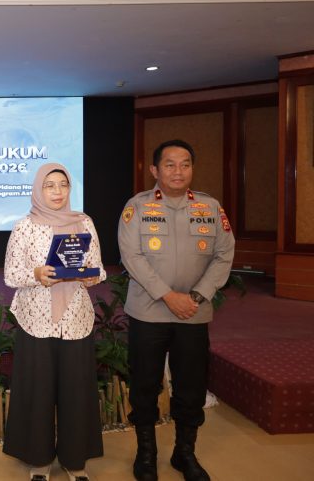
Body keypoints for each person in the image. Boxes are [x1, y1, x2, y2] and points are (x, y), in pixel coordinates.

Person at [118, 140, 235, 481]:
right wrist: (168, 296)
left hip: (193, 314)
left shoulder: (210, 207)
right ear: (155, 170)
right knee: (143, 385)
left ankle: (185, 453)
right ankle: (146, 455)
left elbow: (224, 255)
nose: (178, 171)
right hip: (149, 313)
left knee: (191, 386)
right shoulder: (136, 207)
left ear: (192, 169)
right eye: (169, 164)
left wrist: (196, 296)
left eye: (185, 164)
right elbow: (131, 256)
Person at [2, 163, 105, 481]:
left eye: (63, 185)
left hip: (75, 318)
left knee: (76, 391)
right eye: (50, 185)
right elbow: (10, 275)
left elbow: (99, 269)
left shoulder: (83, 222)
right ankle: (40, 461)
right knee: (37, 391)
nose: (57, 191)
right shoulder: (25, 227)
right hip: (36, 320)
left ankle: (76, 462)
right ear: (38, 189)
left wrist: (86, 274)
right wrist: (36, 275)